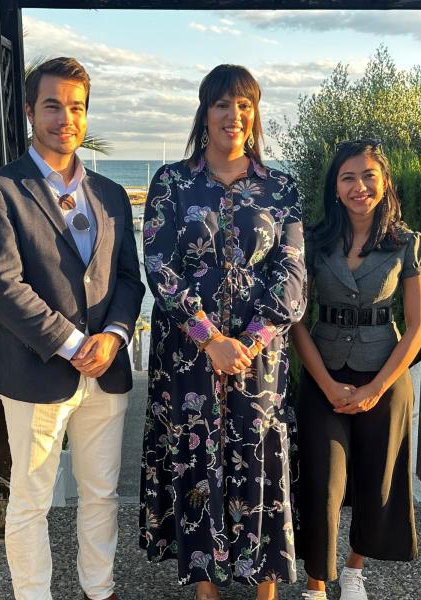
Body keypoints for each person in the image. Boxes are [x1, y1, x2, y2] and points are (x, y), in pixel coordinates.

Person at [0, 57, 144, 600]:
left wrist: (114, 336)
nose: (64, 118)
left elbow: (128, 281)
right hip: (38, 371)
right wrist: (72, 345)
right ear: (29, 112)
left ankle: (100, 588)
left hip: (106, 371)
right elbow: (3, 287)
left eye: (76, 107)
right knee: (31, 500)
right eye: (52, 105)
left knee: (101, 494)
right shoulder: (0, 190)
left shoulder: (113, 195)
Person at [139, 64, 307, 600]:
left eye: (245, 105)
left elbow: (294, 272)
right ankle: (204, 584)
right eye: (222, 105)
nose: (234, 115)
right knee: (196, 453)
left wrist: (250, 340)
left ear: (254, 114)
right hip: (190, 355)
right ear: (204, 113)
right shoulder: (172, 183)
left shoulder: (280, 187)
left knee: (259, 451)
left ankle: (265, 584)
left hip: (259, 358)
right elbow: (159, 266)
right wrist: (209, 337)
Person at [290, 140, 421, 600]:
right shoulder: (313, 243)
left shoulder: (408, 245)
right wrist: (327, 383)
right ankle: (316, 585)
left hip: (384, 377)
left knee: (377, 478)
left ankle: (354, 570)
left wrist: (375, 387)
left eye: (369, 175)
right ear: (335, 186)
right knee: (323, 479)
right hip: (322, 374)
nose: (359, 186)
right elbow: (296, 320)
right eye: (348, 177)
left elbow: (417, 327)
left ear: (384, 181)